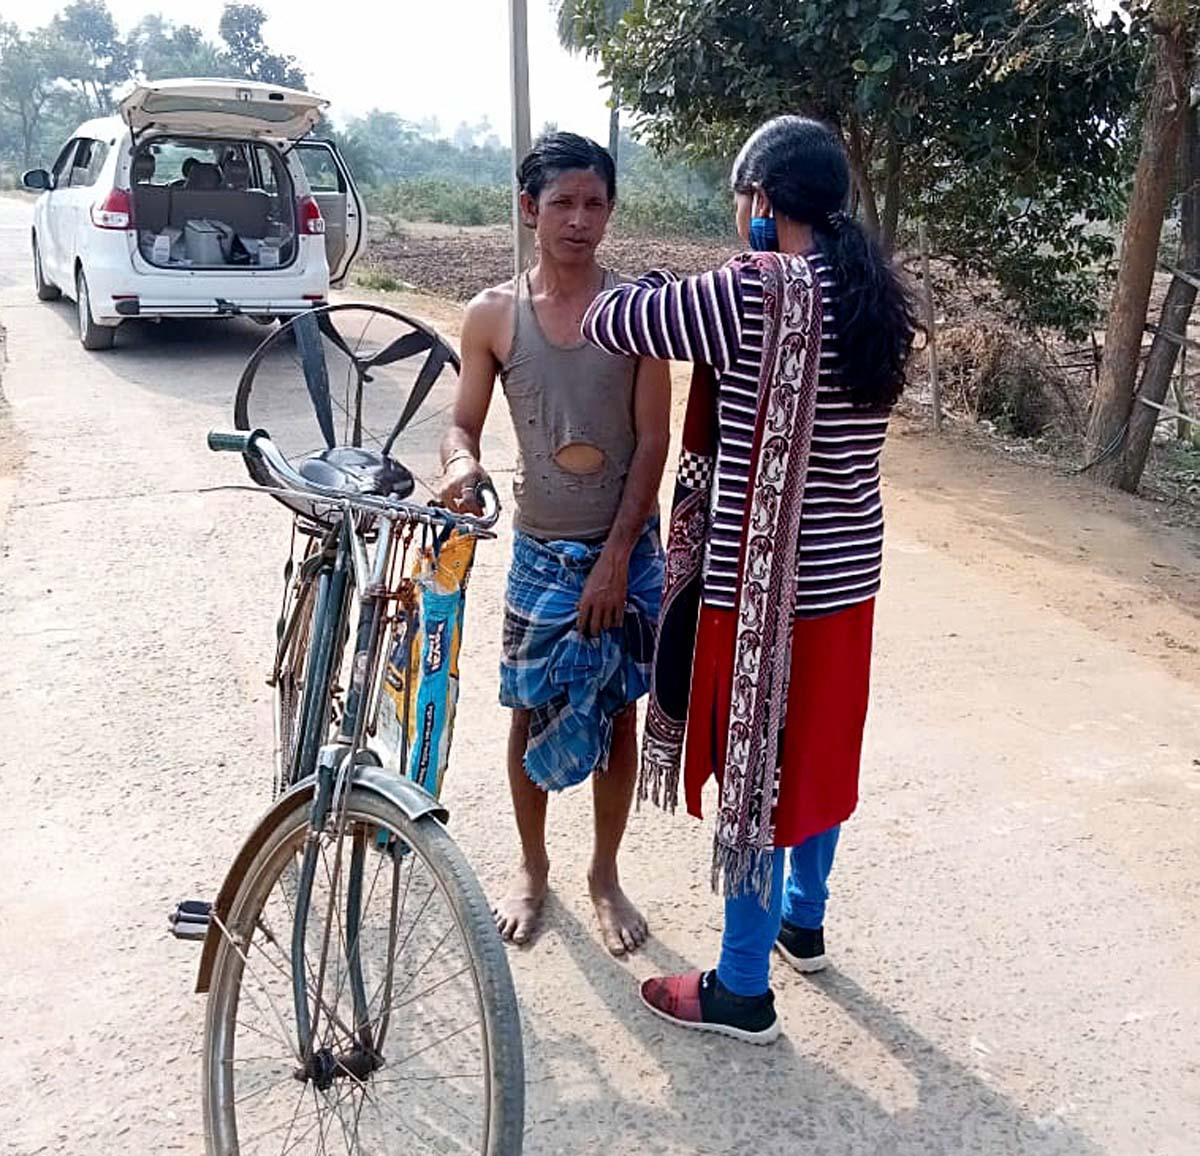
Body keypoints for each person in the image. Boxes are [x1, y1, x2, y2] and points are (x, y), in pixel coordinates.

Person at [581, 116, 917, 1041]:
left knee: (760, 770)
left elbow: (617, 321)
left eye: (742, 200)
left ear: (763, 199)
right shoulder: (873, 295)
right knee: (817, 756)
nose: (740, 217)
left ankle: (740, 986)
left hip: (765, 593)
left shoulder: (755, 292)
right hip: (848, 585)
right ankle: (802, 927)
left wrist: (658, 280)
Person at [440, 132, 671, 955]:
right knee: (527, 710)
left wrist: (616, 558)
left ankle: (604, 874)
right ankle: (532, 869)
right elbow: (461, 423)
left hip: (627, 553)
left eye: (595, 203)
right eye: (563, 202)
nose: (580, 219)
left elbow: (652, 445)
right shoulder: (492, 316)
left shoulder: (636, 311)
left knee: (616, 714)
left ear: (611, 211)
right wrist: (461, 465)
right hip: (540, 552)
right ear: (530, 208)